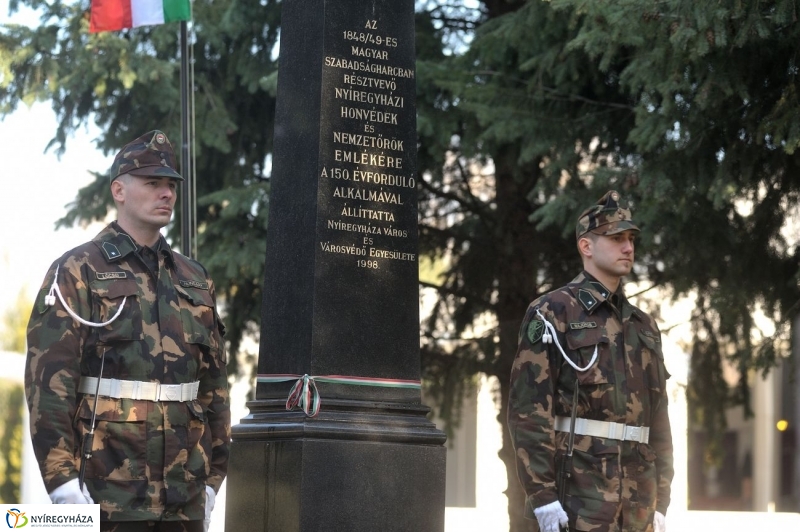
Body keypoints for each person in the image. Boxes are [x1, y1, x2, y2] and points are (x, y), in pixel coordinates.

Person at [25, 130, 230, 532]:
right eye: (153, 183)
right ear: (119, 190)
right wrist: (61, 482)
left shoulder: (194, 279)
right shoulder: (79, 270)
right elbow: (48, 384)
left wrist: (212, 481)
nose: (166, 193)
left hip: (183, 497)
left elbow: (214, 389)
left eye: (170, 184)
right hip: (103, 494)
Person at [508, 190, 673, 532]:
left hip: (639, 501)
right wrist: (542, 496)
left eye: (630, 239)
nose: (628, 248)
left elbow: (658, 417)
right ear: (586, 246)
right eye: (616, 238)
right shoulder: (553, 311)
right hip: (580, 496)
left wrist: (663, 498)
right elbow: (528, 410)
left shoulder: (643, 325)